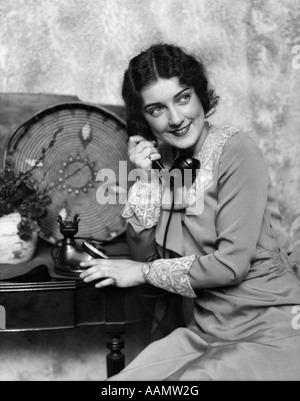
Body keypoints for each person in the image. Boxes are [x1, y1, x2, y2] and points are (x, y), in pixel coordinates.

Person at [80, 43, 300, 380]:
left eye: (182, 98)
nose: (176, 118)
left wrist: (141, 272)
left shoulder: (238, 150)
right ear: (144, 118)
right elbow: (143, 253)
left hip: (267, 326)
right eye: (157, 109)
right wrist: (145, 179)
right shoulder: (165, 164)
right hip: (206, 330)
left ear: (199, 94)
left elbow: (230, 267)